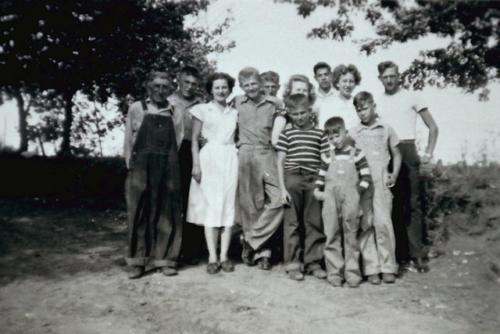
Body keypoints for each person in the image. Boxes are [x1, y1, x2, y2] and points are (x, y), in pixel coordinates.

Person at [376, 61, 439, 273]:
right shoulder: (377, 102)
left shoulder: (412, 97)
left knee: (413, 203)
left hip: (408, 149)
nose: (390, 80)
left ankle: (417, 255)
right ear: (380, 79)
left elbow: (433, 127)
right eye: (385, 77)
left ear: (398, 76)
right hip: (386, 152)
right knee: (391, 202)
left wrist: (428, 155)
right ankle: (397, 254)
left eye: (393, 76)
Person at [123, 71, 183, 279]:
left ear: (170, 89)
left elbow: (179, 137)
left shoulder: (174, 110)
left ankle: (164, 260)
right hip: (140, 166)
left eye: (165, 87)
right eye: (156, 86)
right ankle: (137, 261)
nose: (160, 90)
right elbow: (129, 140)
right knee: (139, 210)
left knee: (166, 210)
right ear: (148, 86)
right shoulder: (137, 108)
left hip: (167, 164)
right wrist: (131, 166)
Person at [187, 72, 239, 274]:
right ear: (211, 89)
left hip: (229, 158)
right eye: (217, 87)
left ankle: (225, 256)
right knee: (211, 206)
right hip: (209, 159)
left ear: (229, 89)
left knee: (227, 205)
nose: (220, 90)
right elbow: (194, 140)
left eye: (224, 87)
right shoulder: (201, 110)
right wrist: (196, 165)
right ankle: (212, 256)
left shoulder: (234, 112)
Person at [234, 67, 284, 270]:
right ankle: (262, 253)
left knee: (279, 199)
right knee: (251, 205)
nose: (251, 88)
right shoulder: (237, 102)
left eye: (254, 84)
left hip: (267, 152)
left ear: (260, 83)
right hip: (246, 153)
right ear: (241, 87)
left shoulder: (275, 103)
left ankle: (250, 240)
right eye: (246, 85)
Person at [350, 91, 402, 283]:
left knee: (383, 223)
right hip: (362, 182)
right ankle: (372, 268)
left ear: (373, 106)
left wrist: (393, 174)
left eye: (365, 108)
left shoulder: (386, 129)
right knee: (366, 224)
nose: (362, 113)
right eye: (358, 110)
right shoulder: (354, 132)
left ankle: (388, 266)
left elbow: (397, 153)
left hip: (381, 181)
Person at [314, 117, 372, 288]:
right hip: (331, 199)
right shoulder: (327, 156)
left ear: (345, 133)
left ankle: (352, 273)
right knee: (332, 233)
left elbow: (366, 176)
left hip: (351, 198)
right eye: (330, 138)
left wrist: (357, 192)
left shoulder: (356, 153)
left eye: (337, 136)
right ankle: (334, 273)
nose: (335, 140)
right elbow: (321, 177)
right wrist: (318, 190)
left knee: (351, 234)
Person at [276, 94, 328, 281]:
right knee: (292, 222)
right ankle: (293, 264)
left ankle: (313, 262)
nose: (300, 117)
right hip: (292, 179)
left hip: (313, 179)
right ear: (289, 114)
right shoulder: (287, 133)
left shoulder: (319, 133)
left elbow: (325, 160)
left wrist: (322, 184)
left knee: (314, 221)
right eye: (295, 113)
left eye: (303, 112)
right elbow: (280, 161)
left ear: (310, 111)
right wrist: (282, 189)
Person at [167, 66, 205, 265]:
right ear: (178, 81)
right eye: (186, 82)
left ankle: (193, 249)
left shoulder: (202, 104)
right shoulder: (170, 102)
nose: (189, 87)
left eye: (193, 83)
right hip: (177, 152)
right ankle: (173, 249)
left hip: (197, 152)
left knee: (195, 199)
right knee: (176, 200)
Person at [271, 74, 317, 147]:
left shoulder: (312, 114)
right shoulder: (283, 114)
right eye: (298, 90)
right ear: (289, 92)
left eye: (304, 90)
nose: (301, 93)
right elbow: (275, 142)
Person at [318, 64, 362, 130]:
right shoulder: (327, 104)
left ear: (355, 84)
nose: (348, 85)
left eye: (351, 81)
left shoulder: (359, 103)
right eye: (344, 81)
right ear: (337, 83)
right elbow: (322, 128)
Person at [312, 62, 336, 129]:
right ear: (315, 78)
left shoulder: (339, 95)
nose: (323, 78)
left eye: (326, 74)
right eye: (320, 75)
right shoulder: (312, 98)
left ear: (331, 75)